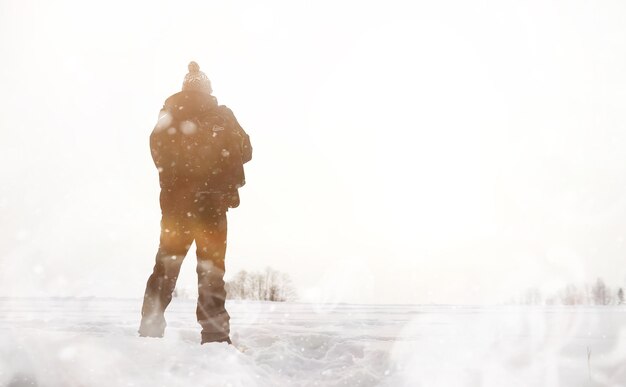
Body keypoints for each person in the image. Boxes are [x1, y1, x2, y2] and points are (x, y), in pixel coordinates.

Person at [139, 61, 252, 345]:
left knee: (165, 266)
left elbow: (157, 151)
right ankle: (214, 336)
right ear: (208, 89)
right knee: (211, 269)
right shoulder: (222, 116)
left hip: (177, 207)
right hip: (212, 205)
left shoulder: (169, 115)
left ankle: (150, 329)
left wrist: (180, 177)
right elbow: (247, 150)